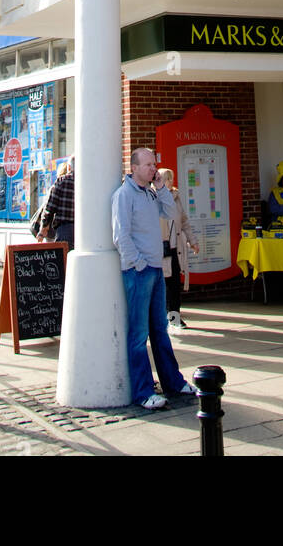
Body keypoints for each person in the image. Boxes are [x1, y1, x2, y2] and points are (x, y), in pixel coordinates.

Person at [112, 148, 197, 409]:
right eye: (148, 165)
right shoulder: (124, 195)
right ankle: (143, 391)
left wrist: (161, 188)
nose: (153, 169)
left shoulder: (150, 192)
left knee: (160, 330)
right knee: (138, 335)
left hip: (156, 269)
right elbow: (120, 235)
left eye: (154, 164)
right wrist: (138, 263)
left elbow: (171, 213)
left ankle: (173, 382)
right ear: (134, 167)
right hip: (139, 272)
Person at [156, 167, 199, 331]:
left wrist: (193, 241)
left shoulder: (176, 196)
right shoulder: (154, 198)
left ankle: (175, 318)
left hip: (176, 248)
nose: (170, 182)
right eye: (167, 178)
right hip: (161, 248)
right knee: (162, 285)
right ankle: (161, 318)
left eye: (171, 178)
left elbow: (184, 221)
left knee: (174, 285)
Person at [41, 158, 75, 250]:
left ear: (69, 167)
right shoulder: (87, 182)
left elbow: (50, 207)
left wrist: (44, 226)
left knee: (63, 259)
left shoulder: (62, 181)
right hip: (85, 229)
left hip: (64, 228)